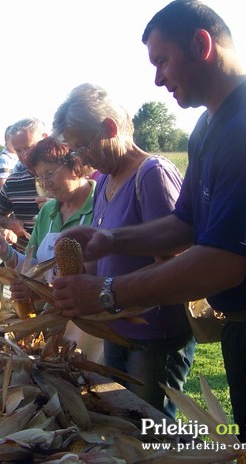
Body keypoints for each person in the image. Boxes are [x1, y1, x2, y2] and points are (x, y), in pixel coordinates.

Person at [53, 0, 246, 458]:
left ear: (201, 44)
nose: (158, 79)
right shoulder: (208, 127)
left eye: (162, 61)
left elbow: (224, 262)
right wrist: (113, 238)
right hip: (244, 332)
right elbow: (187, 223)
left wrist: (107, 293)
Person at [52, 83, 195, 418]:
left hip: (154, 336)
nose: (81, 158)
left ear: (110, 128)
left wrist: (104, 290)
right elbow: (107, 256)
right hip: (115, 327)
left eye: (82, 147)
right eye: (75, 151)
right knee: (122, 425)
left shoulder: (152, 175)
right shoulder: (104, 180)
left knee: (148, 430)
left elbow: (174, 262)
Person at [0, 136, 104, 362]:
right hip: (53, 327)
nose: (46, 183)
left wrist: (40, 290)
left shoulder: (102, 203)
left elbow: (107, 272)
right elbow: (32, 268)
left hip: (93, 332)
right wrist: (6, 252)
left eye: (50, 173)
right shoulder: (47, 212)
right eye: (39, 177)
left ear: (75, 165)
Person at [0, 117, 47, 251]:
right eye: (18, 150)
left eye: (28, 147)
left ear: (44, 139)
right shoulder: (13, 182)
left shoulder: (66, 176)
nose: (24, 156)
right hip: (25, 264)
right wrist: (8, 223)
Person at [0, 124, 18, 203]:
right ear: (6, 140)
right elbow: (3, 188)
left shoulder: (15, 158)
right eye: (13, 139)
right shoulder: (3, 160)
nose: (17, 142)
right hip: (7, 209)